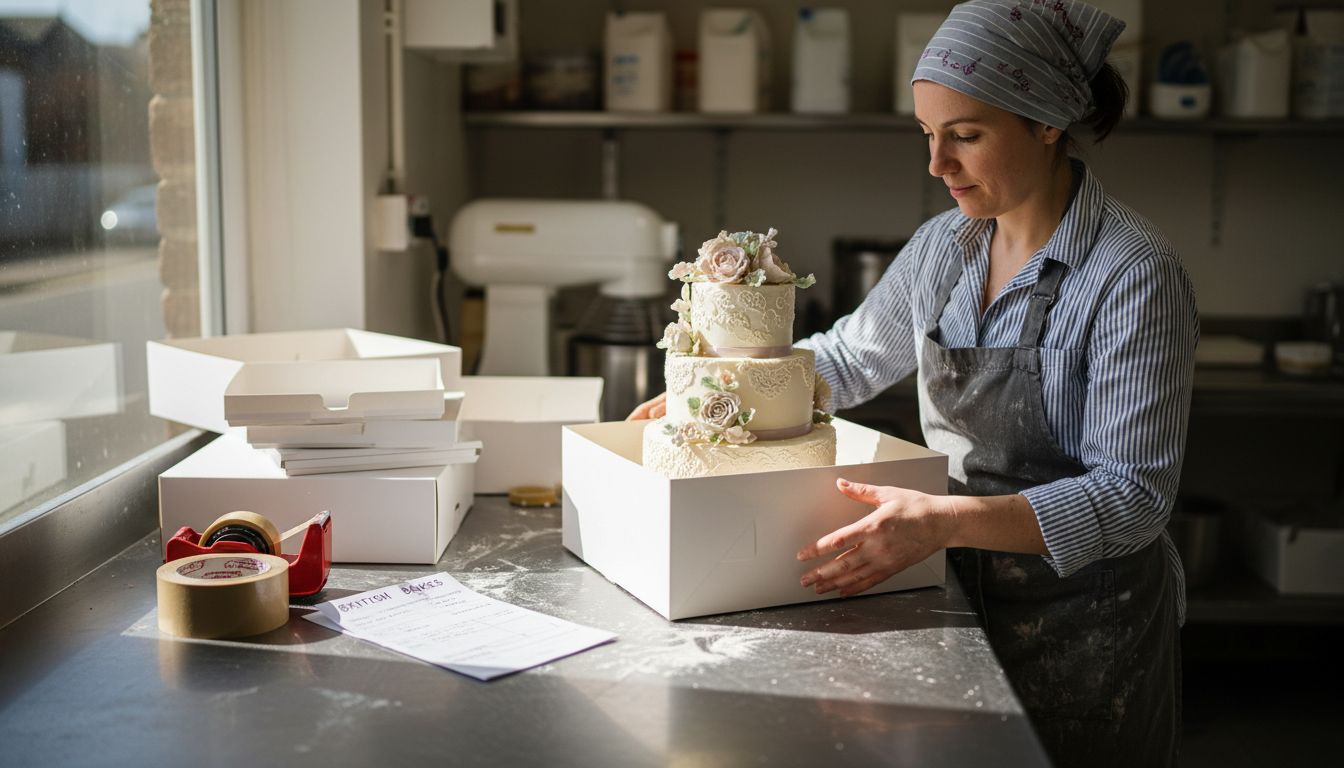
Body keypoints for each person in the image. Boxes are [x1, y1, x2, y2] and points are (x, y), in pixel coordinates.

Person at [630, 2, 1196, 765]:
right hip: (956, 588)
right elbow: (852, 357)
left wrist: (941, 521)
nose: (937, 165)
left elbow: (1133, 498)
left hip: (1091, 621)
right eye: (928, 137)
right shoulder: (946, 247)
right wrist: (721, 391)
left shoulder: (1133, 273)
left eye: (964, 136)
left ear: (1048, 122)